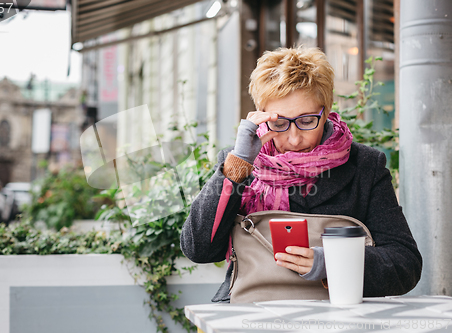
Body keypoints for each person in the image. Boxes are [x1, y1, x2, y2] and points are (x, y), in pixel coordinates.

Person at [180, 46, 422, 303]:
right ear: (261, 119)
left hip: (340, 318)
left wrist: (332, 264)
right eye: (279, 123)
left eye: (307, 121)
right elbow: (199, 249)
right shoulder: (241, 164)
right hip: (251, 313)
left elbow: (405, 263)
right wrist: (238, 166)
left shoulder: (365, 165)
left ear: (326, 111)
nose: (294, 139)